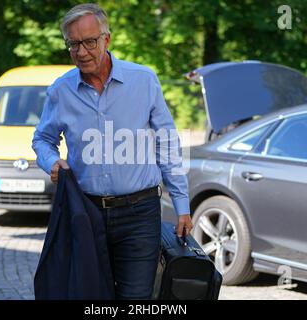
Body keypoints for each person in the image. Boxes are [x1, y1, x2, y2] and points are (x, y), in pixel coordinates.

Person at [32, 3, 193, 300]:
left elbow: (167, 142)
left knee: (136, 299)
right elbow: (42, 139)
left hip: (140, 213)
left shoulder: (143, 80)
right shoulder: (60, 90)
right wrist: (51, 161)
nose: (81, 51)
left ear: (107, 39)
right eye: (73, 44)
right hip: (86, 213)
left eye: (89, 42)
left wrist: (182, 204)